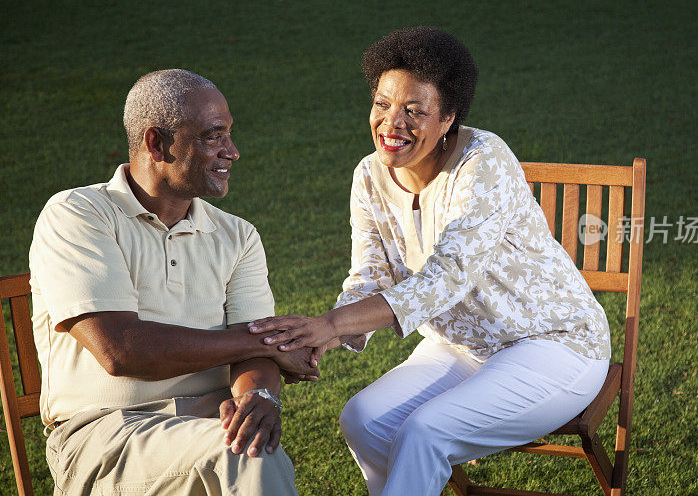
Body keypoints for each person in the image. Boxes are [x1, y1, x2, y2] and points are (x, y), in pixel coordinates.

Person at [249, 27, 612, 496]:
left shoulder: (484, 161)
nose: (391, 123)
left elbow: (447, 277)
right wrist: (318, 341)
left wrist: (332, 323)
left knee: (426, 432)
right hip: (459, 346)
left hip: (553, 345)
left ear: (448, 119)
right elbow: (369, 278)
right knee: (363, 420)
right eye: (382, 104)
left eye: (414, 111)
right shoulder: (369, 175)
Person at [29, 69, 316, 495]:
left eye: (229, 134)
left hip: (209, 420)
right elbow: (121, 350)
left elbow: (254, 350)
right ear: (156, 143)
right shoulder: (77, 214)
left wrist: (259, 398)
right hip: (106, 433)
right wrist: (263, 343)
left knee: (249, 443)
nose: (232, 151)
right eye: (213, 136)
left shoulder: (239, 236)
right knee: (244, 455)